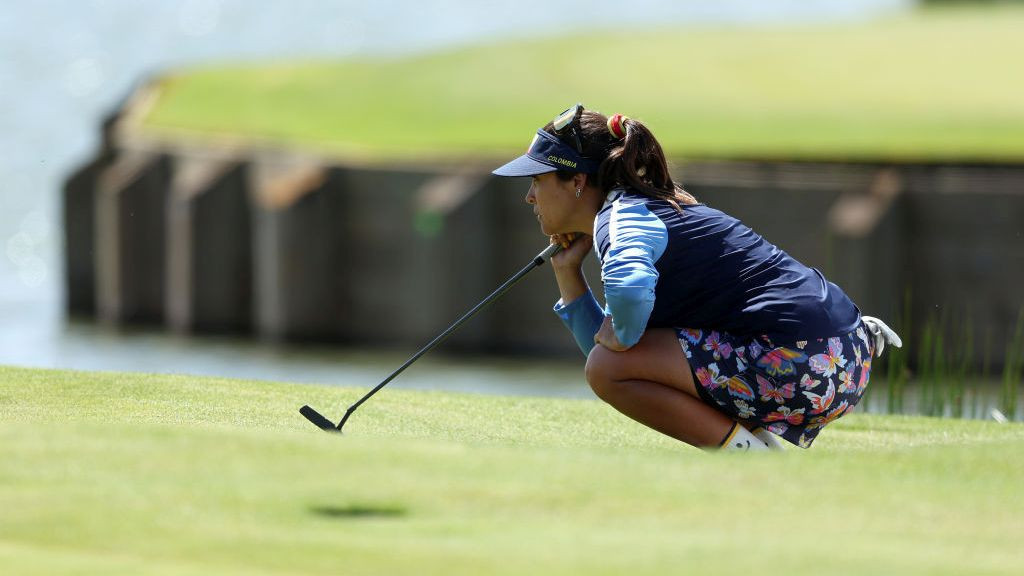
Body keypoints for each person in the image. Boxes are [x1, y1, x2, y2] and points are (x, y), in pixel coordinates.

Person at [492, 104, 901, 451]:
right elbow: (614, 358)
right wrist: (569, 273)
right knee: (609, 363)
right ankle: (756, 452)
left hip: (801, 362)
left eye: (537, 180)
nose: (529, 196)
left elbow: (621, 323)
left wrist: (622, 330)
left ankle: (751, 462)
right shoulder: (648, 207)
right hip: (843, 359)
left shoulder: (622, 219)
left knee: (607, 364)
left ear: (578, 181)